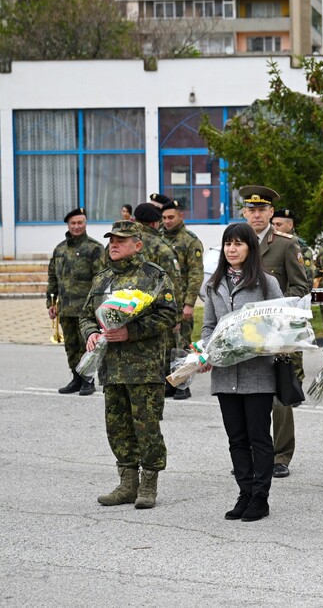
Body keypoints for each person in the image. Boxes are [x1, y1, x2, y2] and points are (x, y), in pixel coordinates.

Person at [80, 221, 176, 510]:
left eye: (121, 240)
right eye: (111, 240)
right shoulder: (102, 280)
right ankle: (127, 484)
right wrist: (91, 333)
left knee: (146, 427)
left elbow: (168, 315)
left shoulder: (153, 277)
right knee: (117, 427)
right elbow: (86, 316)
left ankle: (148, 484)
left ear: (138, 244)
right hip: (112, 368)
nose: (113, 245)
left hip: (144, 367)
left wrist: (130, 332)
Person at [201, 223, 283, 522]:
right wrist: (207, 350)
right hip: (225, 374)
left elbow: (278, 325)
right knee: (236, 438)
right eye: (227, 244)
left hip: (257, 373)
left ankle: (260, 497)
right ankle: (244, 493)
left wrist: (258, 340)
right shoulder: (214, 284)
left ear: (250, 247)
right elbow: (209, 324)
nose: (232, 249)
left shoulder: (266, 283)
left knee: (259, 437)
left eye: (238, 244)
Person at [239, 185, 310, 478]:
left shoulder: (284, 243)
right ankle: (253, 454)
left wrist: (274, 310)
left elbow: (301, 286)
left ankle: (280, 455)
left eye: (261, 210)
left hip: (277, 332)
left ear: (271, 212)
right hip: (245, 332)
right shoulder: (237, 241)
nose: (256, 215)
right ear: (244, 212)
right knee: (248, 393)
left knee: (279, 397)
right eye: (251, 210)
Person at [47, 207, 105, 396]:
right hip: (66, 308)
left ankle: (88, 379)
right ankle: (76, 378)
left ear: (85, 223)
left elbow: (101, 279)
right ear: (68, 225)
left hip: (86, 310)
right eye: (73, 223)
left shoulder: (95, 248)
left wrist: (98, 307)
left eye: (80, 222)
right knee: (71, 346)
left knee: (87, 346)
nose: (77, 226)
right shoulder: (60, 249)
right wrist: (51, 304)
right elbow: (52, 278)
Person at [132, 203, 183, 404]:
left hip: (129, 310)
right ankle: (168, 389)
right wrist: (175, 314)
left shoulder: (126, 243)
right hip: (158, 312)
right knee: (163, 351)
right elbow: (174, 283)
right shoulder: (161, 246)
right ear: (155, 222)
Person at [160, 199, 205, 390]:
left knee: (183, 345)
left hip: (181, 303)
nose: (167, 221)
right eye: (164, 218)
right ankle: (169, 383)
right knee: (165, 344)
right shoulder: (159, 239)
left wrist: (189, 303)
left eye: (171, 217)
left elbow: (196, 274)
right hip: (162, 303)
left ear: (181, 216)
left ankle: (183, 385)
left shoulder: (190, 240)